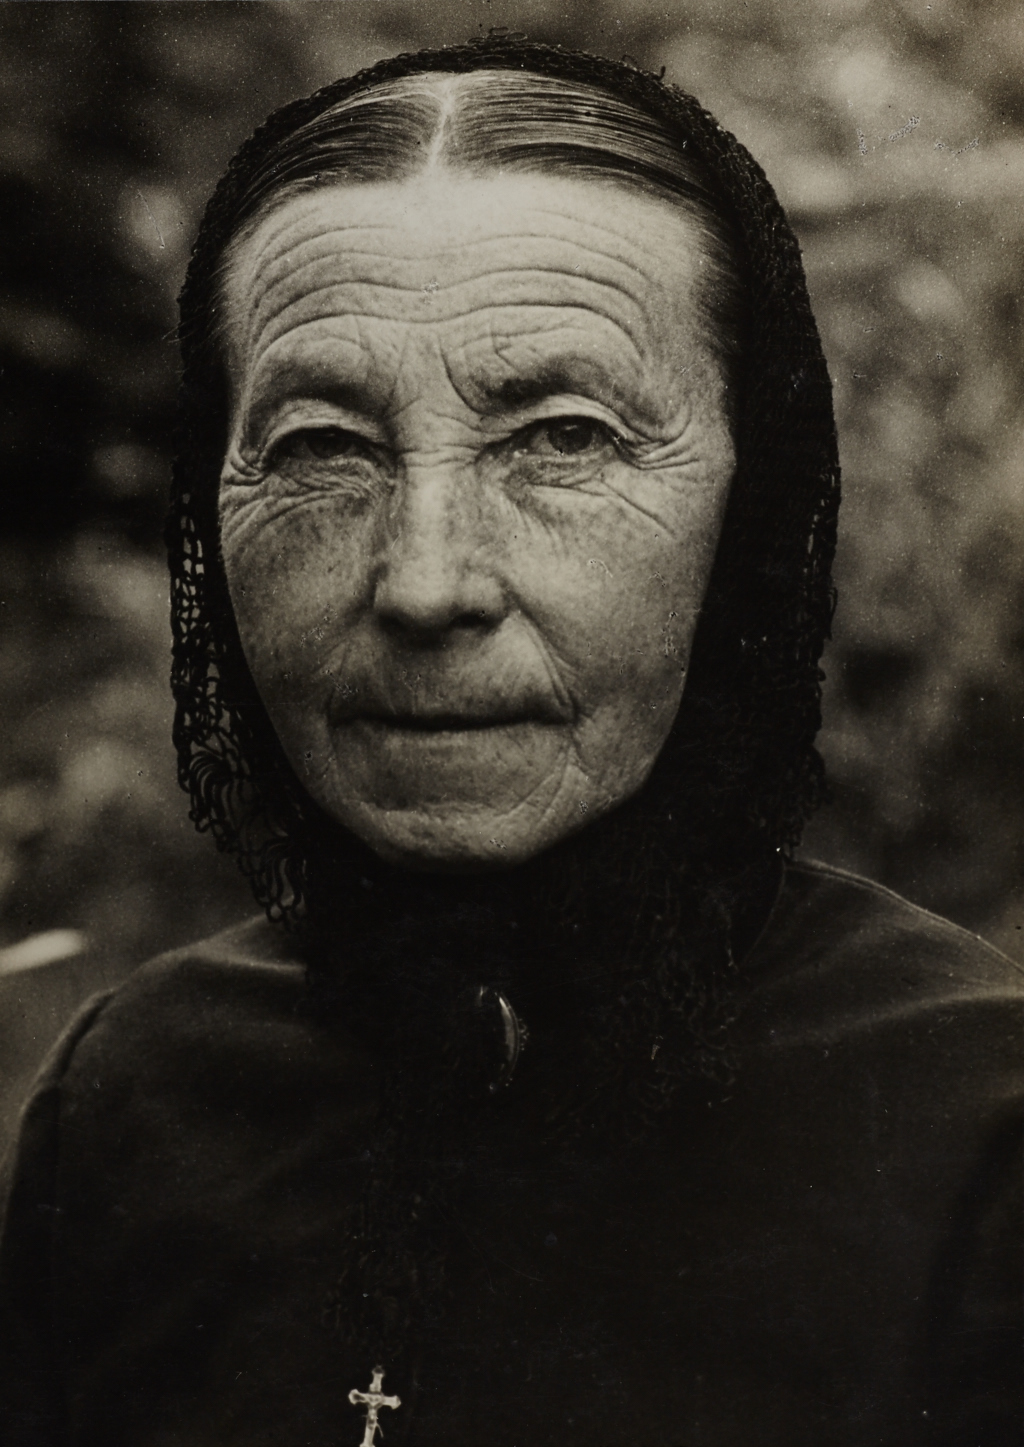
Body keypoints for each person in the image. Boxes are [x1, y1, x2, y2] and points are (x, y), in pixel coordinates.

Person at [0, 38, 1020, 1447]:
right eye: (320, 447)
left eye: (562, 437)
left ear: (752, 511)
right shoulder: (131, 1103)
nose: (425, 583)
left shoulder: (981, 1132)